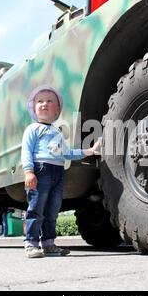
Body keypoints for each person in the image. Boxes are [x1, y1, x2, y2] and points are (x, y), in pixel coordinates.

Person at [21, 85, 101, 258]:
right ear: (34, 108)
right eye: (40, 101)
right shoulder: (32, 129)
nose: (44, 104)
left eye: (50, 101)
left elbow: (67, 153)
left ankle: (48, 244)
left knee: (52, 209)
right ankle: (31, 243)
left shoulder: (57, 132)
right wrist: (29, 172)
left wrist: (89, 151)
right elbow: (26, 151)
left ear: (57, 110)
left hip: (58, 172)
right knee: (36, 208)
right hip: (40, 170)